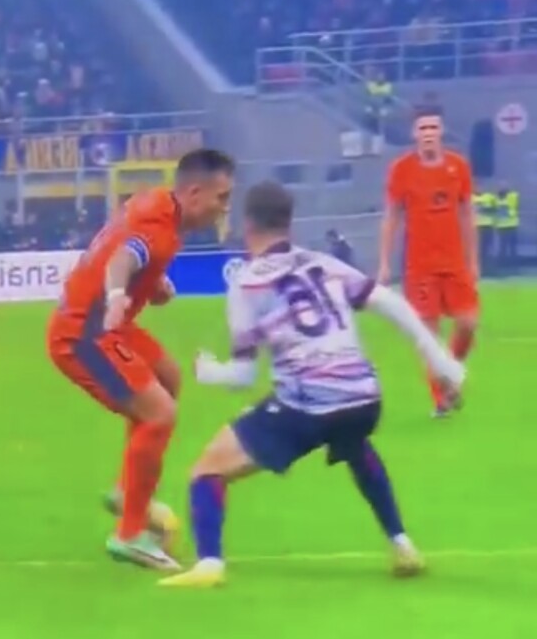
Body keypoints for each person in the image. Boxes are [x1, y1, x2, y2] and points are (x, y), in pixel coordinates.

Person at [159, 181, 465, 589]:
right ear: (289, 223)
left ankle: (209, 565)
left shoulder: (248, 284)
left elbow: (243, 376)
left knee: (207, 471)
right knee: (354, 443)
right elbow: (390, 303)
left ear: (247, 225)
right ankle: (402, 543)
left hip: (308, 403)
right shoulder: (323, 262)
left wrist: (208, 371)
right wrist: (442, 363)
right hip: (364, 397)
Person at [47, 149, 235, 571]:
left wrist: (153, 283)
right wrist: (118, 294)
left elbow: (125, 245)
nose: (225, 207)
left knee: (168, 378)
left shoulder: (155, 204)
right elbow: (122, 259)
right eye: (221, 197)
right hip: (85, 333)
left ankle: (125, 491)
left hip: (104, 324)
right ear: (194, 192)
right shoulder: (159, 227)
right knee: (160, 413)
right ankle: (130, 534)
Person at [378, 106, 478, 417]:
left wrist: (473, 260)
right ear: (414, 133)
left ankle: (451, 371)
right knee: (429, 336)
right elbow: (392, 217)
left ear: (441, 131)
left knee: (468, 323)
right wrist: (384, 262)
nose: (428, 133)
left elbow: (467, 214)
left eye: (433, 127)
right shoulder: (402, 170)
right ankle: (441, 400)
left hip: (454, 263)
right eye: (423, 128)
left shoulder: (458, 167)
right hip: (419, 267)